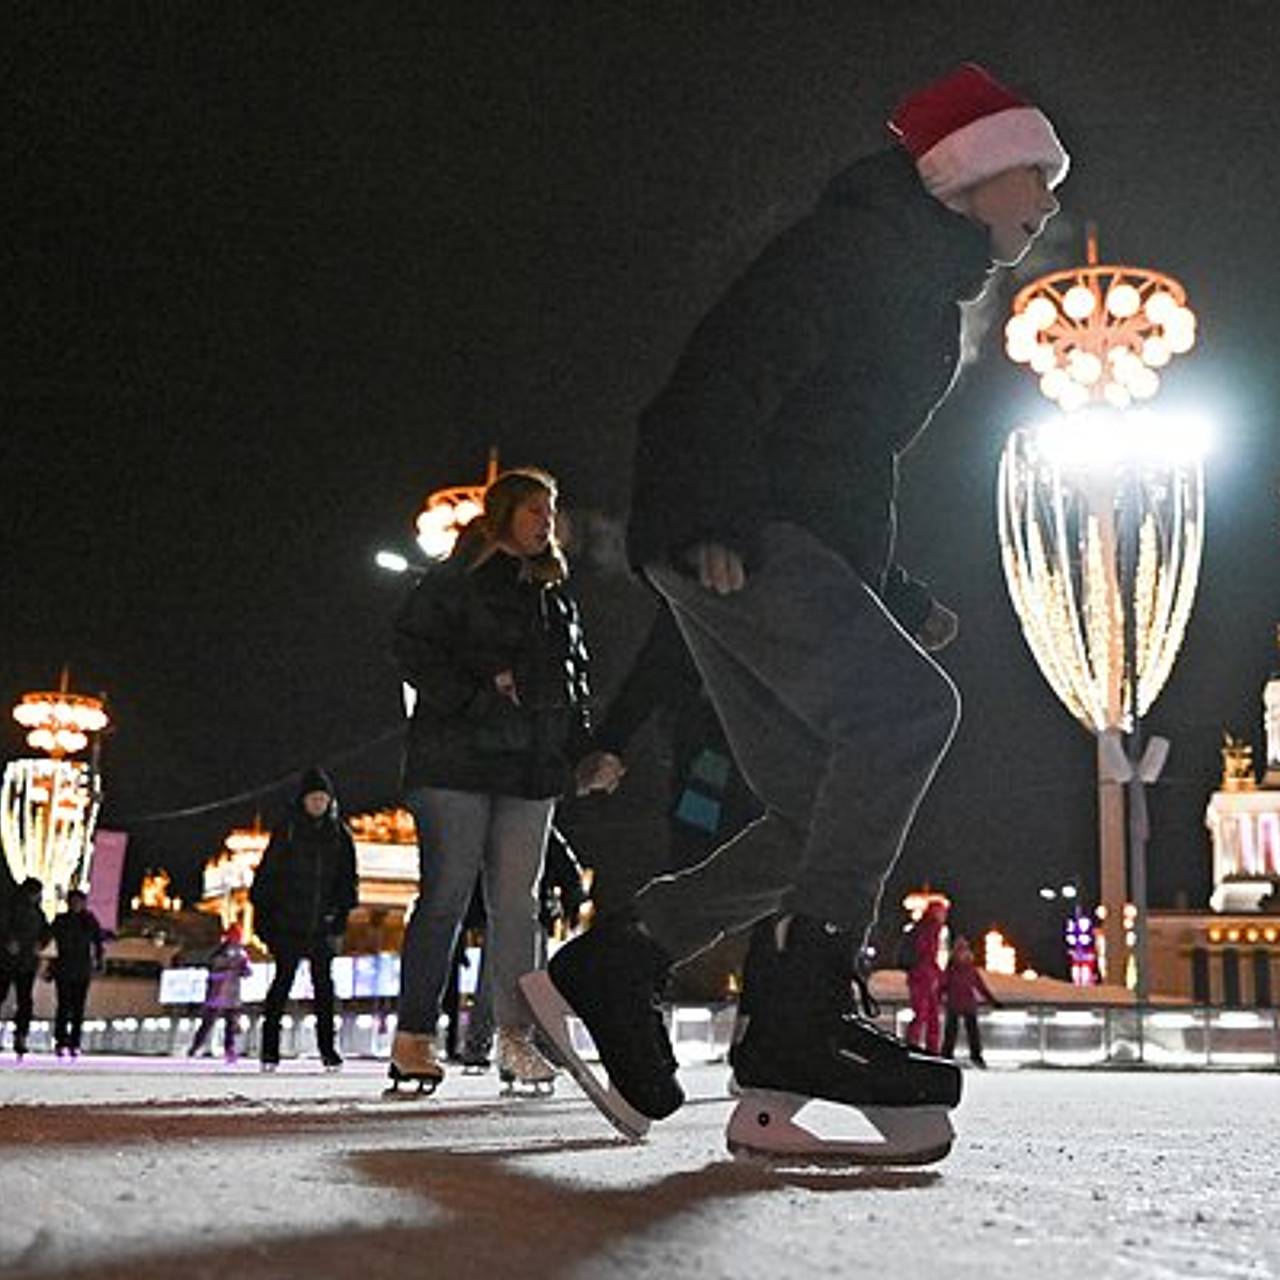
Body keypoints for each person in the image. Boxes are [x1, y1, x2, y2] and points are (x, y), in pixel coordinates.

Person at [521, 63, 1067, 1163]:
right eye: (1035, 177)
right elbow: (717, 374)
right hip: (734, 533)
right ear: (967, 176)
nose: (1046, 202)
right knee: (908, 715)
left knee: (818, 801)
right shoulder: (853, 250)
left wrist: (889, 591)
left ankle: (622, 955)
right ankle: (806, 1007)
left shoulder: (916, 280)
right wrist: (703, 516)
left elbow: (836, 461)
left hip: (774, 532)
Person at [388, 467, 591, 1096]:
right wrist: (481, 697)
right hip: (455, 761)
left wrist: (583, 750)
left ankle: (516, 1039)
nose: (545, 523)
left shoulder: (551, 593)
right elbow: (413, 650)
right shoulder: (454, 581)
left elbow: (574, 680)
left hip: (530, 767)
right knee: (446, 897)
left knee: (518, 906)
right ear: (504, 513)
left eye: (551, 512)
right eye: (534, 510)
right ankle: (414, 1038)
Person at [251, 766, 358, 1072]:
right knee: (281, 986)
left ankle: (329, 1050)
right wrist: (266, 923)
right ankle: (269, 1051)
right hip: (288, 924)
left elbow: (348, 882)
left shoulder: (340, 835)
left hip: (322, 926)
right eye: (313, 798)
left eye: (323, 799)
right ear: (303, 800)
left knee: (324, 990)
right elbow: (267, 878)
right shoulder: (287, 832)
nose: (318, 804)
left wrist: (339, 916)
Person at [49, 887, 106, 1059]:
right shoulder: (61, 920)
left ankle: (74, 1042)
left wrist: (99, 961)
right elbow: (47, 937)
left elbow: (98, 942)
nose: (76, 905)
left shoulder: (89, 921)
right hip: (65, 968)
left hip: (81, 969)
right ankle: (61, 1041)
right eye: (73, 902)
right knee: (64, 1006)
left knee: (78, 1008)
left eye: (78, 902)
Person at [187, 923, 253, 1063]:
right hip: (217, 993)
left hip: (232, 994)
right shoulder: (220, 951)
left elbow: (247, 971)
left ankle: (229, 1050)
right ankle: (195, 1047)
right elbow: (213, 968)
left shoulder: (241, 953)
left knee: (230, 1024)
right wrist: (227, 969)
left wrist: (241, 969)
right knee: (208, 1022)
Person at [0, 878, 51, 1060]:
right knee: (19, 999)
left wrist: (40, 943)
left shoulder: (37, 912)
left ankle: (21, 1036)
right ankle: (20, 1036)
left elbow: (46, 932)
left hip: (25, 961)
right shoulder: (13, 909)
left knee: (23, 1001)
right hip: (10, 961)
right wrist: (7, 941)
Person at [941, 935, 1001, 1067]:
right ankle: (947, 1056)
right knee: (952, 1033)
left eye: (964, 950)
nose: (962, 954)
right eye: (959, 950)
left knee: (971, 1034)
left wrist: (992, 1000)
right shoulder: (953, 970)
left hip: (965, 1005)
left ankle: (974, 1057)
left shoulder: (967, 969)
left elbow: (980, 986)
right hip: (956, 1005)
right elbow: (942, 985)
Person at [905, 899, 949, 1055]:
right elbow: (928, 955)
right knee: (929, 1017)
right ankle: (929, 1050)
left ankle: (914, 1047)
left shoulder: (922, 927)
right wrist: (937, 976)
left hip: (920, 975)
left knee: (924, 1016)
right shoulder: (932, 929)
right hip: (925, 977)